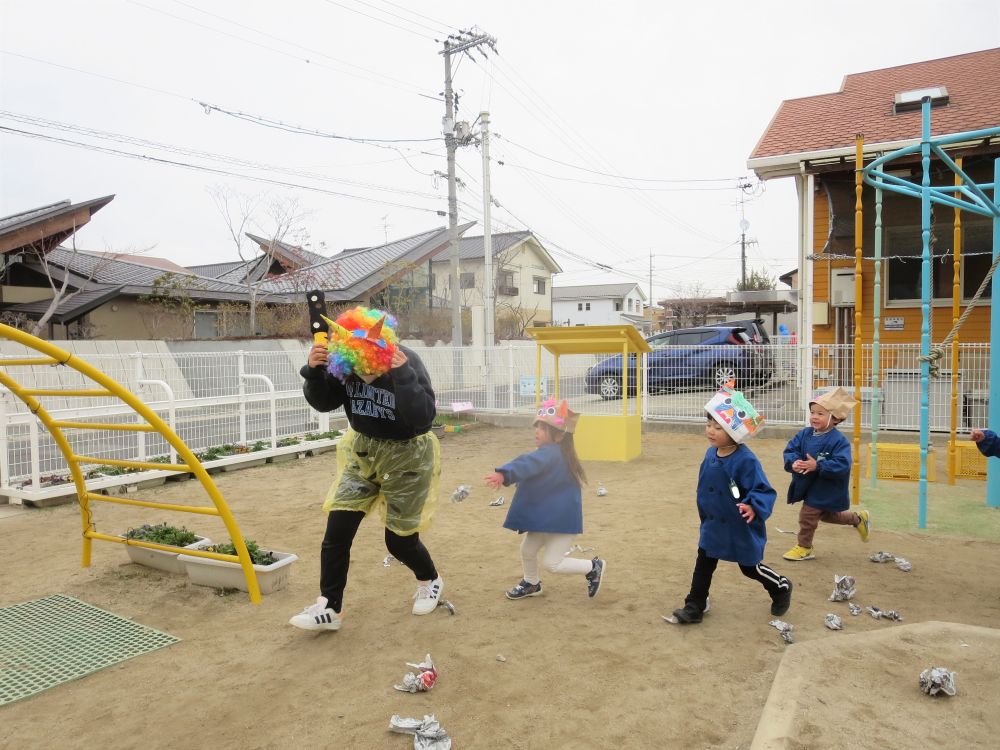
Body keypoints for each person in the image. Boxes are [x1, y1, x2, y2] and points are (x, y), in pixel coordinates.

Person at [289, 307, 443, 632]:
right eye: (354, 365)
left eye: (367, 365)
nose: (362, 373)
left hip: (407, 456)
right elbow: (324, 402)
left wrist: (402, 376)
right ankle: (330, 608)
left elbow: (423, 417)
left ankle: (430, 579)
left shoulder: (406, 360)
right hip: (363, 450)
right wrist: (315, 372)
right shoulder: (344, 364)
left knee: (399, 541)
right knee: (337, 532)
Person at [669, 384, 792, 624]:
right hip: (713, 523)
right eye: (709, 425)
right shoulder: (710, 453)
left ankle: (780, 587)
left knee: (749, 567)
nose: (711, 431)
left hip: (739, 524)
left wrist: (753, 506)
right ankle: (694, 605)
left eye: (718, 427)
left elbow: (763, 489)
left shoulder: (745, 460)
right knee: (704, 563)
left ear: (735, 432)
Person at [484, 398, 605, 600]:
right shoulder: (556, 454)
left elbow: (526, 463)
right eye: (537, 426)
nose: (537, 431)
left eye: (543, 427)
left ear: (558, 436)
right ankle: (532, 583)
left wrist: (504, 474)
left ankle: (593, 567)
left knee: (552, 563)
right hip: (547, 518)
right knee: (528, 549)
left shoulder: (550, 454)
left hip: (561, 522)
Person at [782, 387, 870, 561]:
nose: (814, 417)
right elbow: (791, 449)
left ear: (835, 418)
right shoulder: (804, 434)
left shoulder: (839, 441)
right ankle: (858, 519)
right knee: (828, 515)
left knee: (808, 515)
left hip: (826, 487)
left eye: (820, 414)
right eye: (812, 412)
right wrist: (794, 462)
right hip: (808, 484)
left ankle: (804, 547)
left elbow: (843, 464)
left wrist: (819, 465)